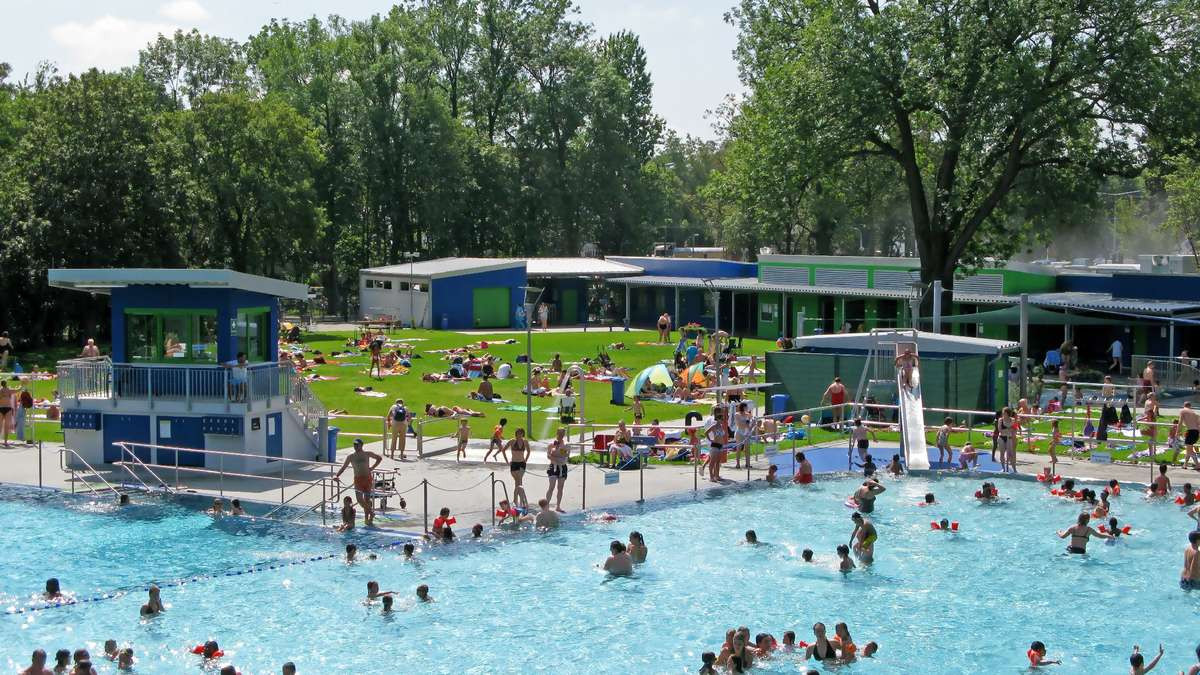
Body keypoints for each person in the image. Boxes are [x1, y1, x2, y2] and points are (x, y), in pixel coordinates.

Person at [335, 438, 383, 526]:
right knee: (359, 499)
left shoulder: (367, 454)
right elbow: (343, 467)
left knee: (367, 500)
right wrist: (336, 475)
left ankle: (367, 519)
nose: (355, 446)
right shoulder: (351, 457)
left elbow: (379, 458)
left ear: (361, 445)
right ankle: (371, 513)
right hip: (358, 480)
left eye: (357, 445)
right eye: (354, 445)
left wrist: (372, 468)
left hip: (367, 479)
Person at [506, 428, 531, 509]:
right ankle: (518, 500)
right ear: (516, 434)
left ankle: (517, 501)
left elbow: (529, 451)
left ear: (523, 434)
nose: (519, 435)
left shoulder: (525, 441)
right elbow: (503, 450)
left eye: (521, 433)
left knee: (519, 482)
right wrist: (507, 461)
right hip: (514, 463)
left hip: (521, 464)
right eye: (518, 433)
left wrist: (525, 460)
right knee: (517, 483)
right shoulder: (512, 441)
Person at [545, 427, 569, 512]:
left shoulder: (566, 444)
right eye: (560, 433)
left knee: (560, 487)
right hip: (553, 467)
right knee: (551, 487)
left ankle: (558, 506)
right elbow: (548, 455)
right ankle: (546, 505)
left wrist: (558, 450)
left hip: (562, 467)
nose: (561, 435)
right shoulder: (551, 444)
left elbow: (565, 455)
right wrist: (555, 450)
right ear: (557, 433)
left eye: (562, 434)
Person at [705, 407, 729, 482]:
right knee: (712, 462)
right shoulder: (714, 426)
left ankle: (717, 475)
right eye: (721, 419)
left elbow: (722, 435)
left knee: (718, 462)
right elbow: (706, 433)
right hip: (715, 445)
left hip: (720, 446)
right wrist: (710, 439)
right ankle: (711, 476)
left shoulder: (721, 427)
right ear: (718, 419)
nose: (722, 421)